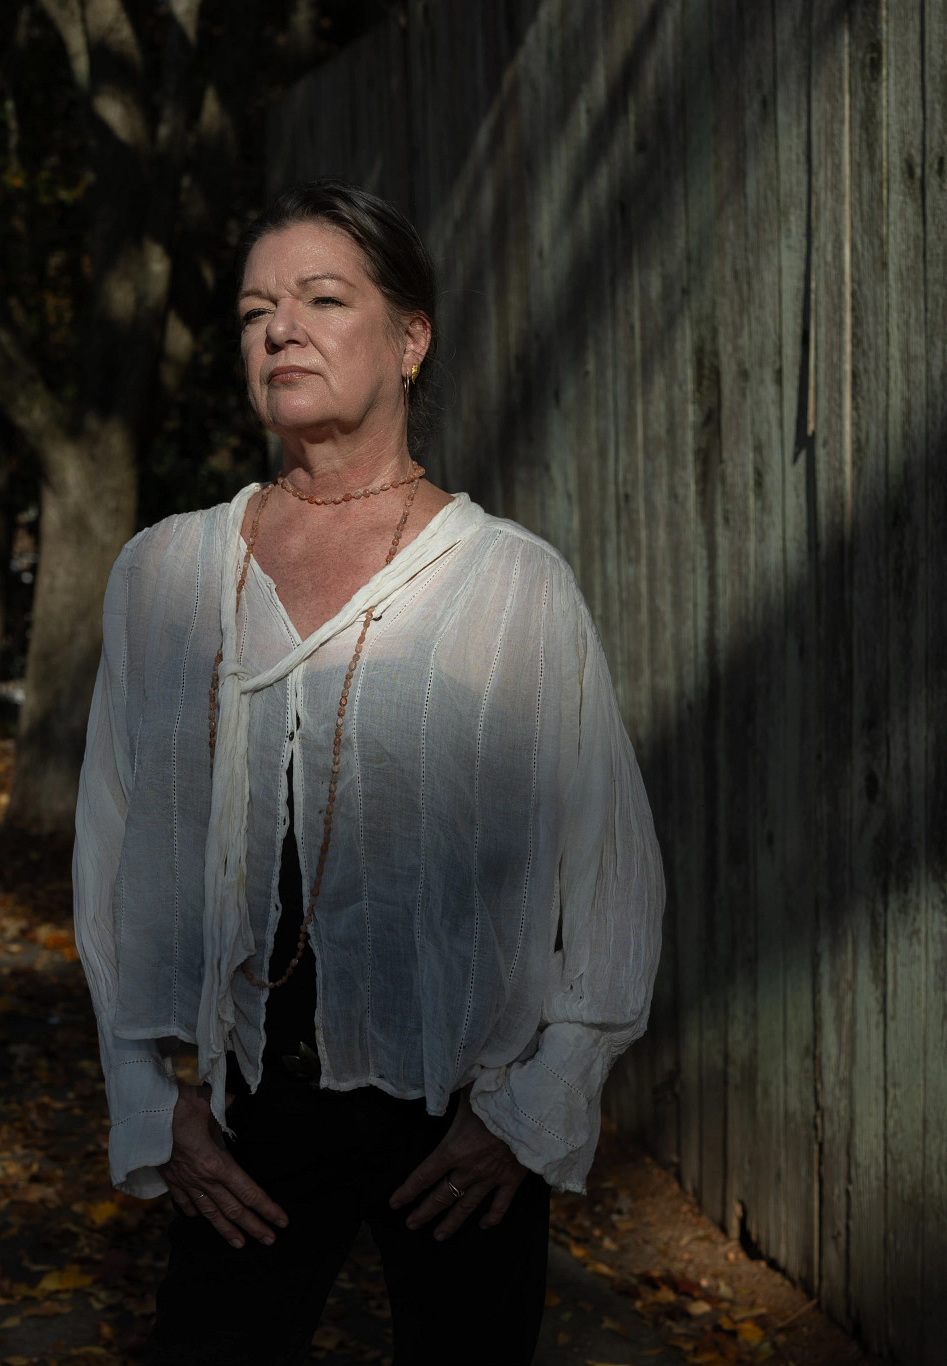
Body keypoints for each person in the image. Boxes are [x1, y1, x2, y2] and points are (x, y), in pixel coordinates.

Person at [71, 179, 665, 1365]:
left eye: (319, 298)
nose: (277, 328)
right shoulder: (167, 574)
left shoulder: (506, 583)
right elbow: (109, 843)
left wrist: (532, 1109)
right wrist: (152, 1100)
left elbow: (608, 870)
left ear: (408, 339)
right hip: (241, 1113)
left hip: (457, 1122)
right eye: (252, 310)